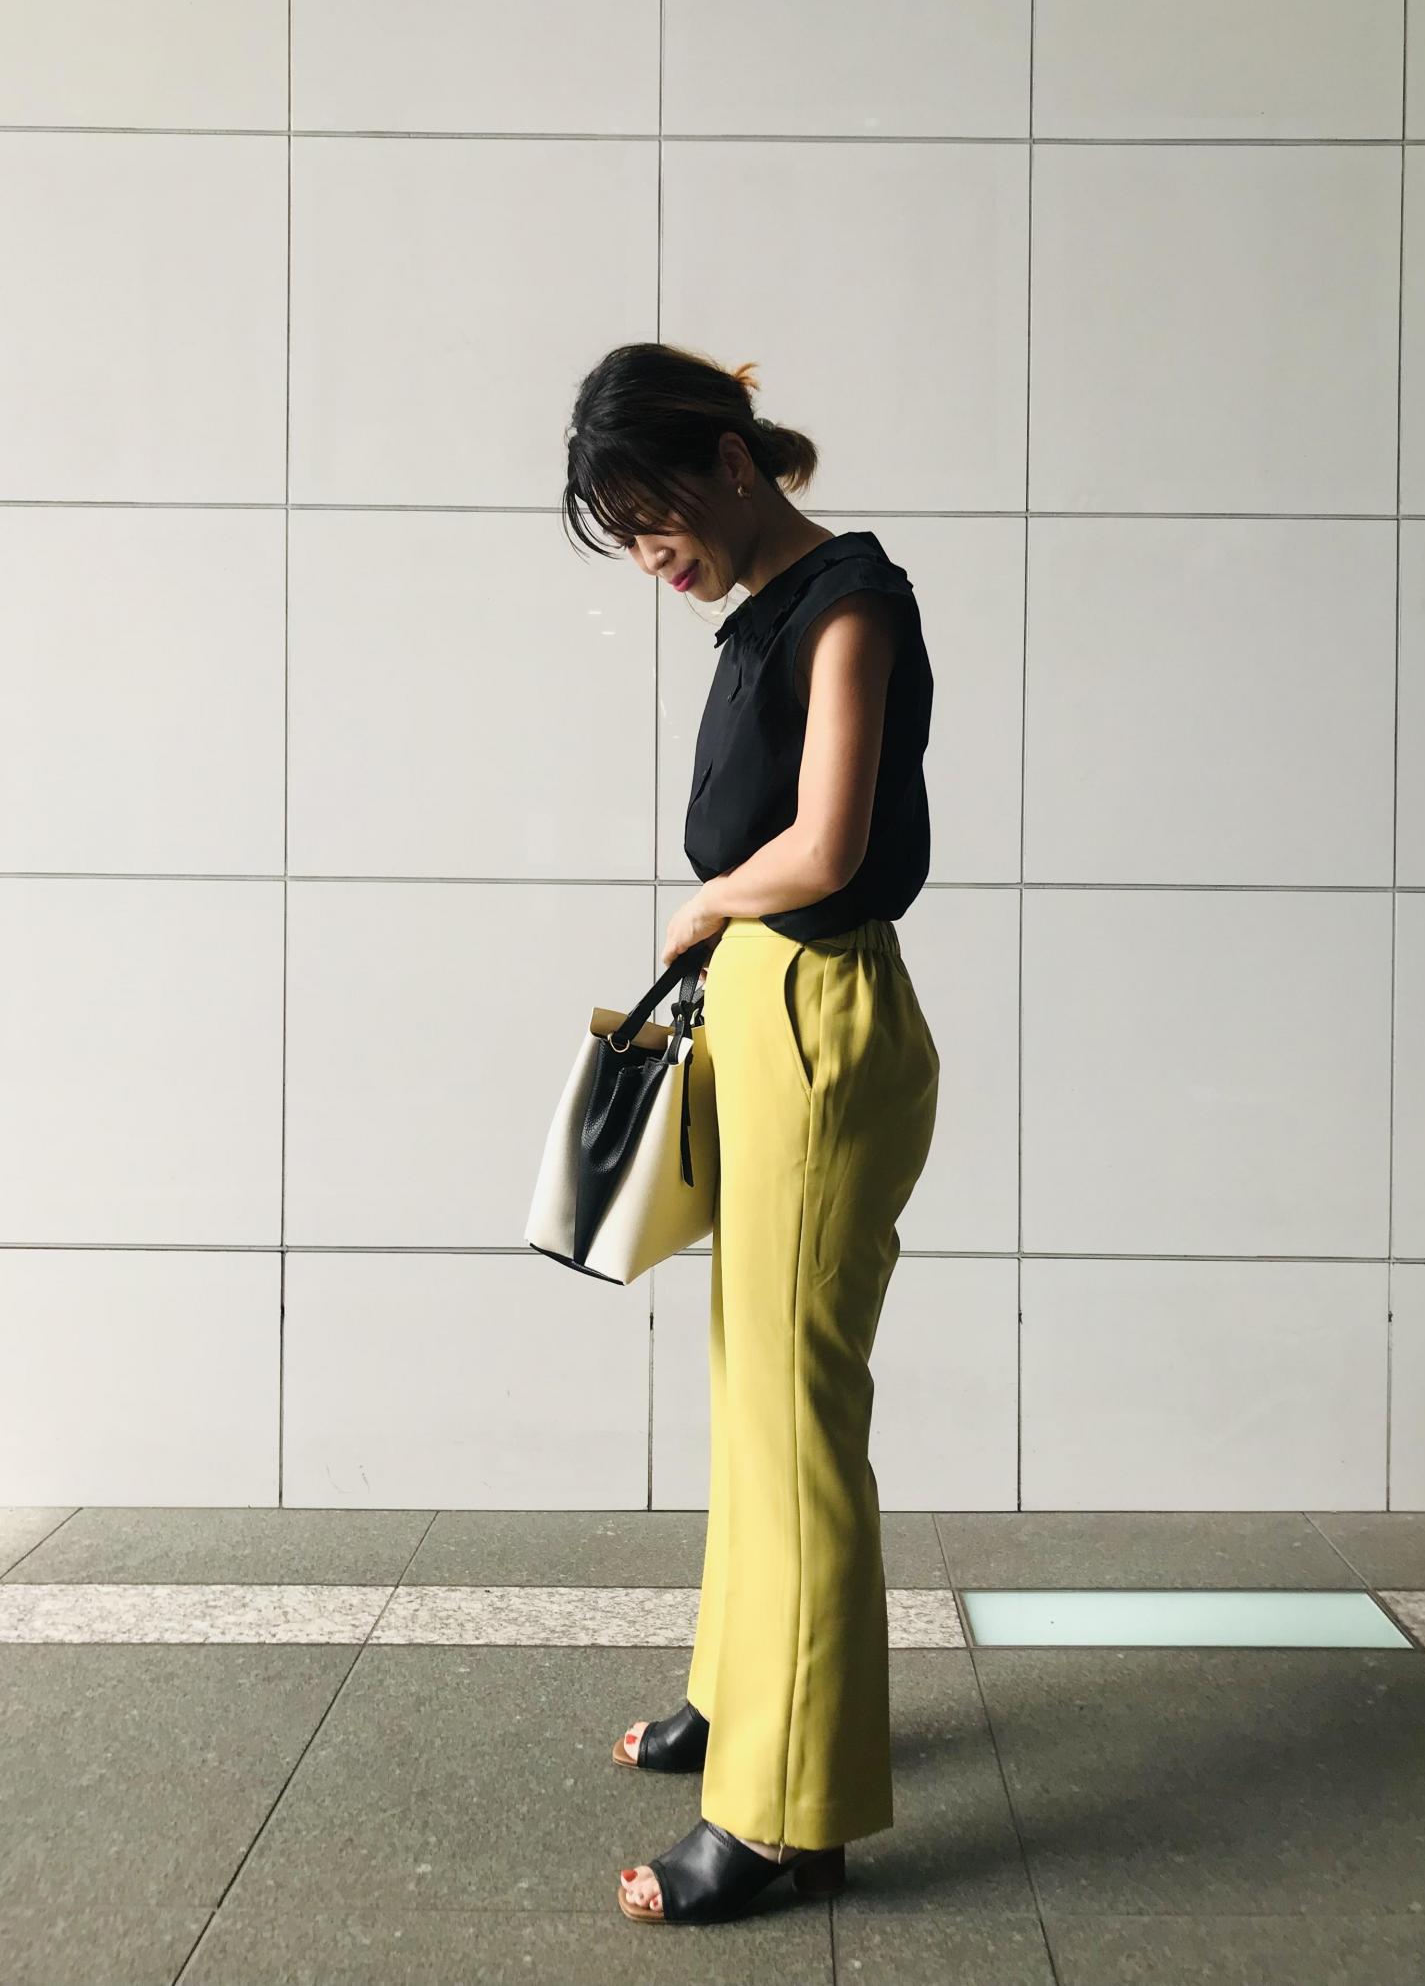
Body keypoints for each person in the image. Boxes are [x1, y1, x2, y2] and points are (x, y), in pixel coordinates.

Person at [562, 342, 941, 1927]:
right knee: (752, 1389)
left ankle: (789, 1820)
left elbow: (829, 843)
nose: (651, 558)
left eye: (654, 520)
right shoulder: (763, 610)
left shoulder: (849, 604)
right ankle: (744, 1693)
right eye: (628, 535)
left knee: (798, 1420)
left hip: (822, 1016)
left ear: (731, 463)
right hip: (767, 1009)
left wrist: (710, 900)